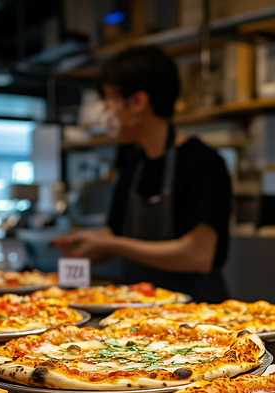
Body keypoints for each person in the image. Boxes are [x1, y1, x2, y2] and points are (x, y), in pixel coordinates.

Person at [53, 46, 233, 301]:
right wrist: (86, 243)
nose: (106, 110)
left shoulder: (202, 162)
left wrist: (112, 245)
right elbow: (116, 234)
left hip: (197, 311)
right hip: (139, 305)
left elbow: (198, 255)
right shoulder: (132, 159)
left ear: (137, 102)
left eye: (109, 99)